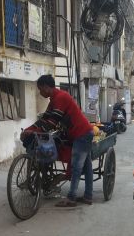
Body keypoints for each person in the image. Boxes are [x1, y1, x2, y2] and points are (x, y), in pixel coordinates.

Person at [27, 75, 94, 207]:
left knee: (76, 167)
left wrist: (34, 131)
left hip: (82, 133)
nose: (40, 93)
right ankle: (88, 196)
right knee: (87, 166)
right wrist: (29, 129)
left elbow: (52, 122)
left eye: (40, 89)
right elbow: (45, 118)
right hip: (81, 133)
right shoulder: (54, 100)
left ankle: (71, 198)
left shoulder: (61, 97)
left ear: (46, 87)